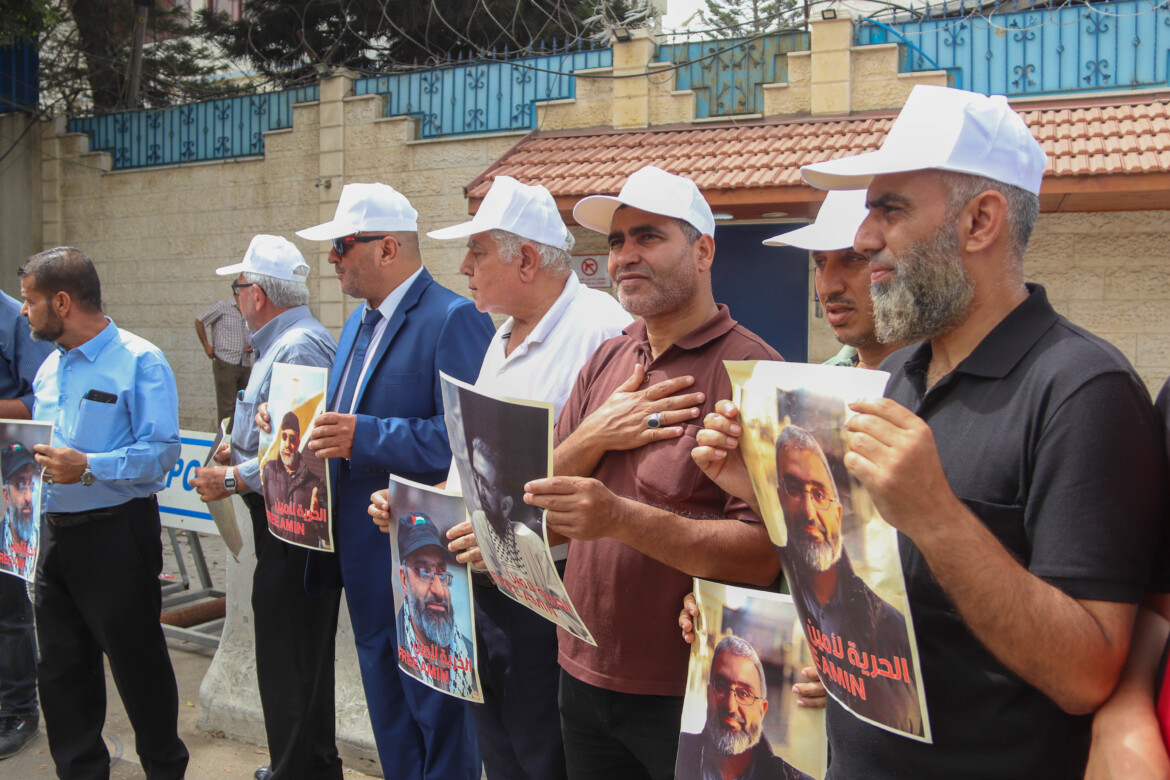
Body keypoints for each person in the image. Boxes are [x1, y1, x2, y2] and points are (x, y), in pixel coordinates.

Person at [700, 84, 1166, 777]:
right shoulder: (897, 376)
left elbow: (1088, 674)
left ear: (980, 222)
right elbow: (869, 596)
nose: (862, 239)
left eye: (889, 210)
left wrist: (939, 517)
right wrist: (771, 498)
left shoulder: (1082, 390)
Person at [523, 165, 782, 779]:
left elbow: (763, 556)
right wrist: (594, 434)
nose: (624, 256)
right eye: (616, 242)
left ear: (703, 250)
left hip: (692, 689)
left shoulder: (754, 371)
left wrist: (619, 518)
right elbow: (535, 503)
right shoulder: (608, 358)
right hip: (580, 670)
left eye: (647, 237)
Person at [370, 175, 631, 780]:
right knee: (504, 754)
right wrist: (420, 503)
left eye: (478, 250)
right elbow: (478, 464)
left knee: (546, 756)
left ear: (528, 259)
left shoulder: (601, 330)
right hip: (488, 585)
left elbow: (608, 473)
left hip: (554, 593)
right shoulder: (501, 337)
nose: (463, 267)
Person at [292, 182, 494, 780]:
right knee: (385, 697)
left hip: (422, 548)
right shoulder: (356, 323)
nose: (332, 259)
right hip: (358, 550)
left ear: (387, 249)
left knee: (438, 708)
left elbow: (467, 442)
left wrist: (366, 436)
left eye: (342, 245)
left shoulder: (453, 317)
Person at [21, 246, 189, 779]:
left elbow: (162, 453)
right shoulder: (50, 368)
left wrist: (88, 466)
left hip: (117, 537)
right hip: (53, 538)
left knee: (139, 668)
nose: (24, 312)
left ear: (62, 302)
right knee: (63, 673)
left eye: (30, 301)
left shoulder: (141, 360)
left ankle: (164, 770)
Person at [189, 234, 341, 780]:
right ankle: (305, 765)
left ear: (256, 293)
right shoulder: (281, 342)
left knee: (290, 661)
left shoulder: (296, 345)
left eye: (237, 288)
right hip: (284, 522)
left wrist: (232, 476)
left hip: (295, 529)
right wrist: (243, 448)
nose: (234, 299)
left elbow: (296, 458)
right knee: (291, 659)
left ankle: (297, 770)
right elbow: (277, 435)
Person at [774, 425, 921, 736]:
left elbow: (904, 713)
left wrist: (847, 684)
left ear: (838, 514)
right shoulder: (778, 584)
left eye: (819, 494)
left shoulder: (890, 626)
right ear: (778, 498)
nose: (810, 511)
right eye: (794, 489)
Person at [763, 189, 904, 369]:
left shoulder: (942, 389)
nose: (828, 287)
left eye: (853, 258)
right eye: (820, 263)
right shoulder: (819, 384)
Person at [0, 290, 52, 761]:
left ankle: (18, 709)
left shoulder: (12, 319)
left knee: (5, 604)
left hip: (5, 478)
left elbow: (44, 399)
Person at [676, 635, 813, 780]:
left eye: (743, 693)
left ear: (762, 710)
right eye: (721, 687)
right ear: (709, 694)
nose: (730, 706)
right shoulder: (675, 751)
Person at [395, 512, 476, 698]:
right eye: (424, 572)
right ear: (404, 580)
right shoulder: (397, 644)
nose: (439, 591)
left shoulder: (471, 655)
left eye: (441, 574)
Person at [261, 412, 327, 548]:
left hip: (306, 556)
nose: (287, 445)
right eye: (284, 437)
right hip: (276, 549)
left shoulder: (315, 483)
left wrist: (318, 517)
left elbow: (327, 534)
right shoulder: (268, 469)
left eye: (292, 439)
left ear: (298, 442)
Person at [195, 294, 252, 431]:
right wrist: (206, 345)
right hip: (226, 361)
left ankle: (239, 440)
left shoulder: (249, 309)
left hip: (244, 362)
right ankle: (225, 443)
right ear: (237, 292)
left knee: (245, 404)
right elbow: (199, 321)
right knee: (228, 407)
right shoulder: (222, 306)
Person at [0, 442, 39, 581]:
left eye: (30, 484)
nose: (28, 497)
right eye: (21, 485)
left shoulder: (45, 539)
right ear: (6, 494)